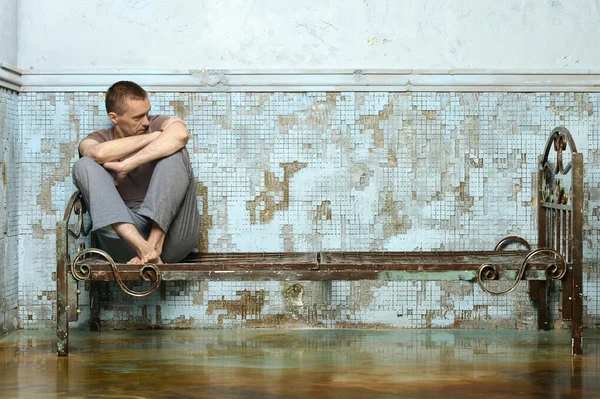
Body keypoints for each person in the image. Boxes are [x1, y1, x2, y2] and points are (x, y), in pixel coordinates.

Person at [72, 81, 200, 265]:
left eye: (147, 113)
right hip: (124, 241)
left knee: (176, 151)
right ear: (114, 117)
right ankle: (144, 248)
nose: (146, 122)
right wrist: (155, 136)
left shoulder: (156, 122)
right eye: (137, 117)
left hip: (173, 236)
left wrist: (127, 164)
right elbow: (97, 153)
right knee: (84, 164)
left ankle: (154, 245)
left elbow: (180, 135)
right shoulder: (98, 138)